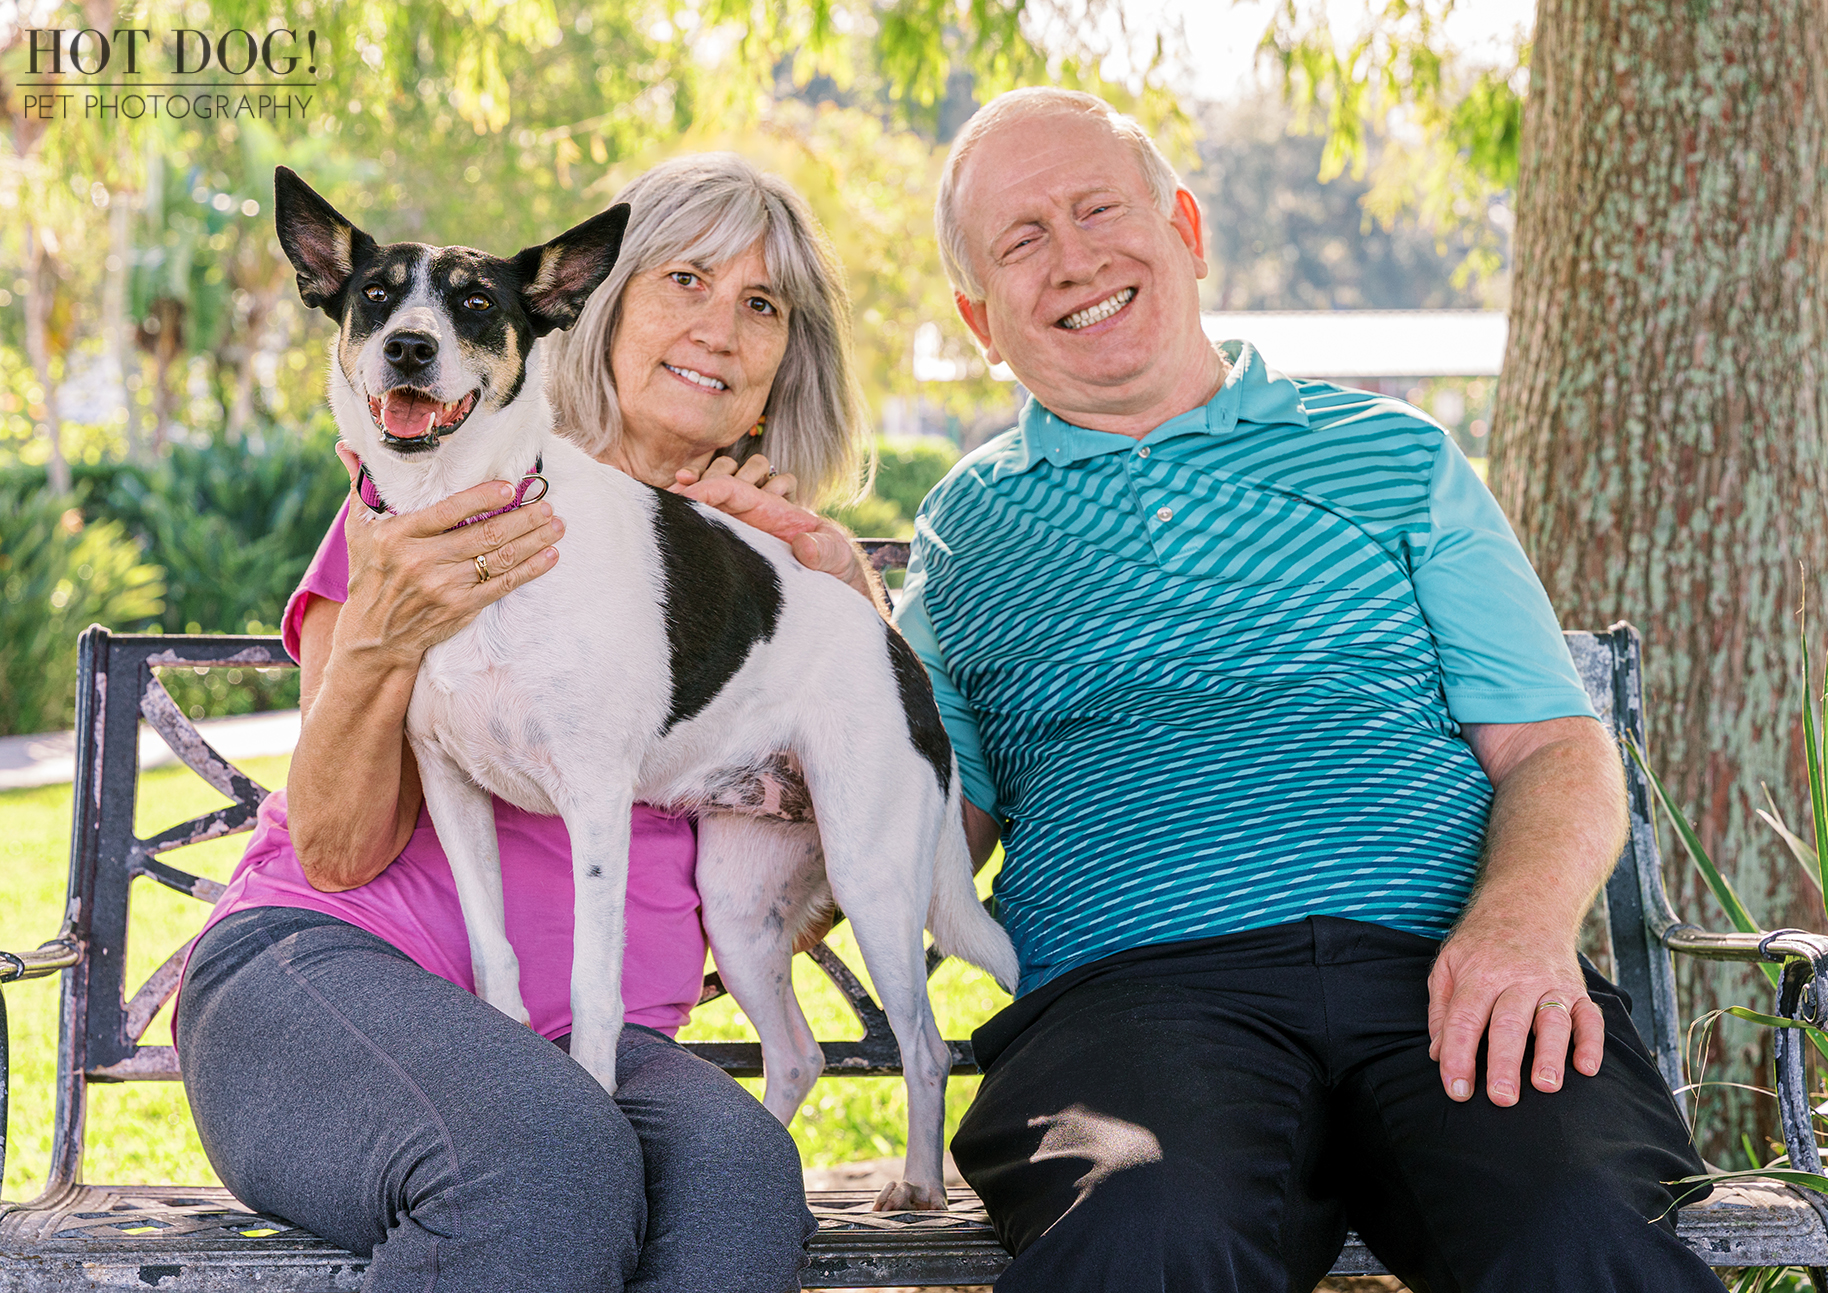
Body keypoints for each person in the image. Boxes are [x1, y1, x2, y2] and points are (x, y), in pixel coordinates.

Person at [888, 87, 1723, 1292]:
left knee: (1575, 1233)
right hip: (1131, 1006)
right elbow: (925, 825)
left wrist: (1517, 927)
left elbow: (1551, 747)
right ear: (980, 317)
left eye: (1098, 210)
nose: (1073, 259)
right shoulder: (966, 528)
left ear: (1184, 226)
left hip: (1445, 968)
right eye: (1021, 241)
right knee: (1144, 1231)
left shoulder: (1392, 457)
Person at [174, 153, 878, 1293]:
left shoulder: (781, 581)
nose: (719, 329)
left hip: (593, 1041)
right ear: (582, 306)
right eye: (684, 282)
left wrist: (849, 627)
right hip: (330, 974)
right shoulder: (450, 498)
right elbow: (340, 850)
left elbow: (832, 897)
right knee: (545, 1165)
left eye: (762, 305)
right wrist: (388, 633)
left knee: (742, 1184)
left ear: (788, 359)